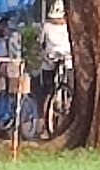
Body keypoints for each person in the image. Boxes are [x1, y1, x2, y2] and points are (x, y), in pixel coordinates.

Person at [38, 0, 71, 134]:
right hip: (52, 60)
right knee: (48, 91)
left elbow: (41, 43)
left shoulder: (51, 26)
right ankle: (46, 122)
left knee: (65, 88)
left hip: (64, 60)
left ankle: (66, 102)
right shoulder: (49, 26)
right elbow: (42, 43)